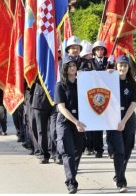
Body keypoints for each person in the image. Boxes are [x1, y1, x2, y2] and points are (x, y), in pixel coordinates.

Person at [106, 55, 136, 193]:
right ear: (116, 66)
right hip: (113, 118)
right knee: (119, 151)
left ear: (128, 68)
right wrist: (105, 74)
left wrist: (124, 121)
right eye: (120, 65)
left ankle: (119, 173)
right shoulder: (109, 80)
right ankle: (121, 181)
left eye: (125, 66)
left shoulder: (133, 84)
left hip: (128, 118)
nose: (123, 68)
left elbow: (133, 104)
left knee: (127, 150)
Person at [55, 55, 87, 194]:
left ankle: (72, 175)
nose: (73, 68)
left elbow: (99, 84)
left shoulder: (82, 83)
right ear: (65, 68)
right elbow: (62, 108)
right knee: (68, 153)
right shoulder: (60, 85)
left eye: (74, 65)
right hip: (66, 122)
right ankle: (71, 182)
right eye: (70, 66)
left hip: (80, 122)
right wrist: (76, 122)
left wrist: (110, 72)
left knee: (78, 151)